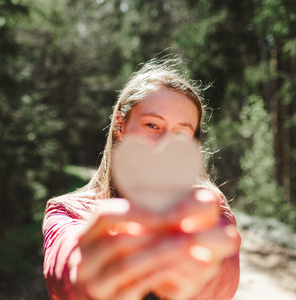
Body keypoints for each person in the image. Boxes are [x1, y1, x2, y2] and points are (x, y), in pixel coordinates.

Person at [42, 58, 241, 300]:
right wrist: (86, 276)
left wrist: (198, 277)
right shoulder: (67, 211)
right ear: (120, 126)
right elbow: (65, 264)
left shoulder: (208, 208)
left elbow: (224, 277)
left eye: (181, 133)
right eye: (152, 125)